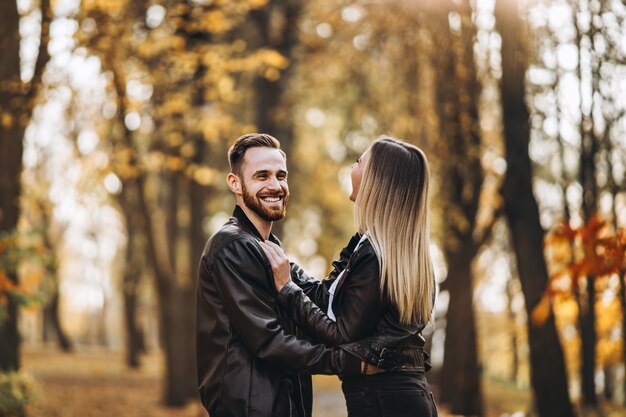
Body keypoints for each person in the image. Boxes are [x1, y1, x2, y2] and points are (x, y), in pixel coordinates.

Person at [195, 133, 409, 417]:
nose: (275, 186)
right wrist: (351, 362)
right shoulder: (233, 246)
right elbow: (269, 340)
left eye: (280, 176)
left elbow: (319, 298)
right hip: (251, 409)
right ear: (235, 183)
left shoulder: (269, 248)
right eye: (262, 176)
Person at [260, 136, 438, 417]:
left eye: (359, 162)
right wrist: (284, 265)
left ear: (375, 181)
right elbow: (326, 300)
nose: (352, 168)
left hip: (387, 402)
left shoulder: (375, 257)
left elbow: (341, 334)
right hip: (399, 397)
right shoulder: (373, 248)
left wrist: (287, 289)